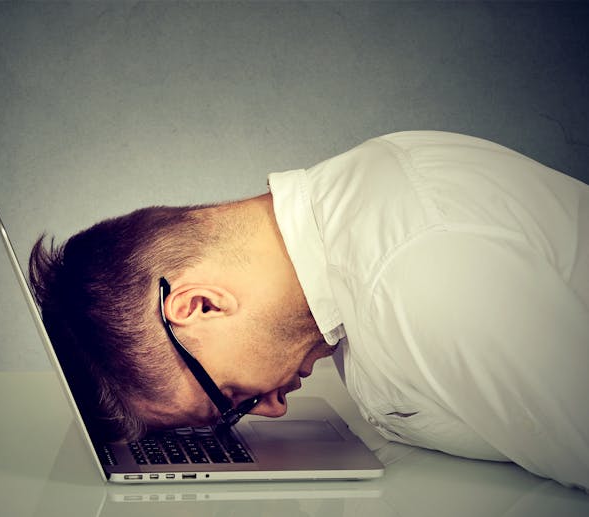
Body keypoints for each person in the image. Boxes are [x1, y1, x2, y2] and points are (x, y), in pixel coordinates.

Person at [29, 130, 589, 490]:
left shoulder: (424, 276)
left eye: (230, 402)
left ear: (199, 305)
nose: (270, 411)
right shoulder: (354, 209)